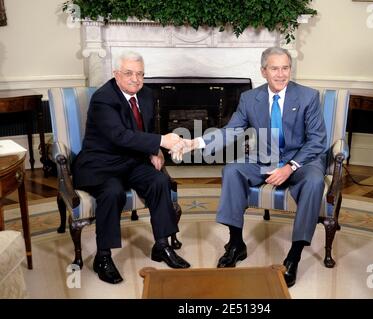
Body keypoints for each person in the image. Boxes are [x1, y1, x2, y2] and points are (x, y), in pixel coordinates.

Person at [172, 47, 327, 287]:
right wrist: (194, 143)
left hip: (302, 160)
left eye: (285, 68)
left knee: (315, 181)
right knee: (232, 170)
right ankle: (236, 244)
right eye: (275, 68)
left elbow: (317, 140)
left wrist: (289, 167)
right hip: (264, 157)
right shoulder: (250, 98)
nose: (281, 74)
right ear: (263, 71)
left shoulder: (308, 97)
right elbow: (231, 131)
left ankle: (294, 256)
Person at [72, 51, 190, 285]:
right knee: (112, 192)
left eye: (140, 74)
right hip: (101, 164)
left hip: (131, 160)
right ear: (116, 74)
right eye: (128, 73)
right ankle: (103, 257)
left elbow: (142, 130)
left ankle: (162, 245)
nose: (135, 79)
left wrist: (153, 151)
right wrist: (159, 142)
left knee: (159, 181)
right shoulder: (103, 98)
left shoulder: (146, 94)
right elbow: (119, 135)